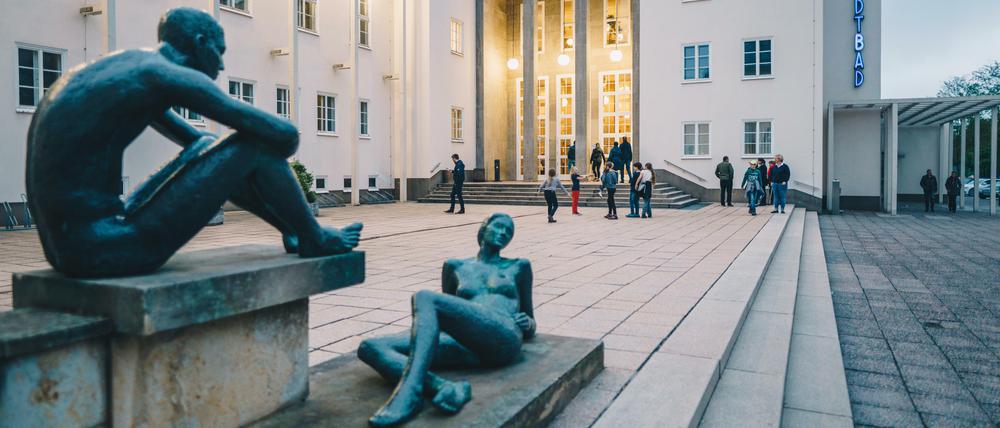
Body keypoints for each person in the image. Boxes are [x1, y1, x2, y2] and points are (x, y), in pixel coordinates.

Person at [24, 7, 362, 277]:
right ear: (201, 43)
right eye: (220, 51)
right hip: (108, 249)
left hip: (74, 248)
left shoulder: (129, 70)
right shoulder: (165, 74)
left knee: (208, 145)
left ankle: (295, 232)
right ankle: (313, 237)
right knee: (255, 144)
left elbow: (201, 143)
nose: (222, 63)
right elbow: (284, 136)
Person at [358, 213, 535, 426]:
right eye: (498, 227)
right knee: (370, 347)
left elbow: (531, 320)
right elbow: (447, 314)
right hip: (463, 344)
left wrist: (529, 324)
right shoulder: (455, 266)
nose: (503, 233)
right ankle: (442, 387)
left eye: (509, 232)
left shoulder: (518, 266)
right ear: (484, 227)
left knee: (426, 297)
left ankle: (410, 392)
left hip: (502, 336)